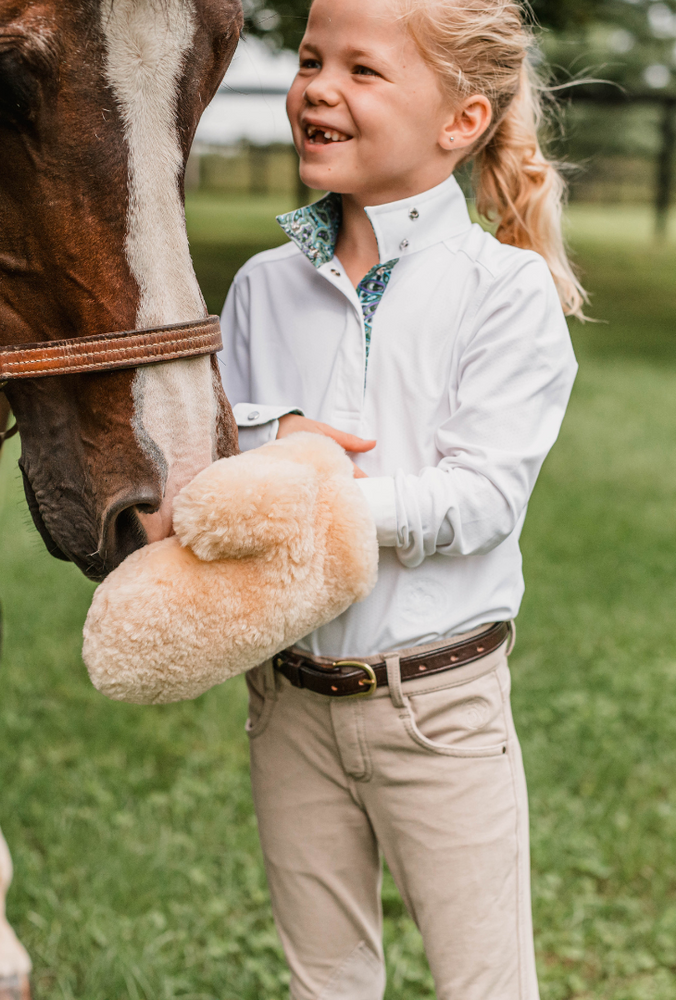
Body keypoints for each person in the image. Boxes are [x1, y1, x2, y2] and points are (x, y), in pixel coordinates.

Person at [218, 0, 582, 996]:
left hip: (439, 710)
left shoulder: (504, 292)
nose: (318, 89)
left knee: (483, 984)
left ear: (461, 120)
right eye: (309, 60)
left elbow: (479, 499)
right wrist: (269, 443)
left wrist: (302, 483)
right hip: (288, 702)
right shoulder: (258, 289)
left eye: (362, 70)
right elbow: (209, 464)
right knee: (322, 983)